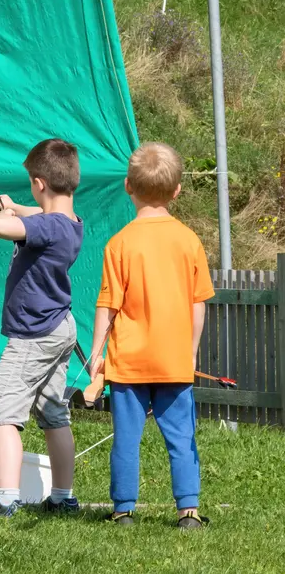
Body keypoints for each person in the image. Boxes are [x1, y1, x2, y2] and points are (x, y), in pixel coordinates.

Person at [89, 142, 213, 528]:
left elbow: (107, 306)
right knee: (181, 438)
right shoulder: (189, 241)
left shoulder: (119, 243)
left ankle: (123, 510)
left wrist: (96, 354)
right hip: (173, 359)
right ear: (177, 190)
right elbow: (198, 304)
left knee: (126, 438)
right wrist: (190, 351)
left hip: (129, 362)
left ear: (128, 186)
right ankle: (188, 512)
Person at [0, 138, 83, 517]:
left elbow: (1, 228)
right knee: (53, 414)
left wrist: (7, 216)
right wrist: (17, 206)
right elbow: (40, 213)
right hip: (60, 329)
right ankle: (62, 497)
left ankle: (4, 500)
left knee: (3, 413)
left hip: (34, 335)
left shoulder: (47, 227)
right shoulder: (70, 222)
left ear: (39, 182)